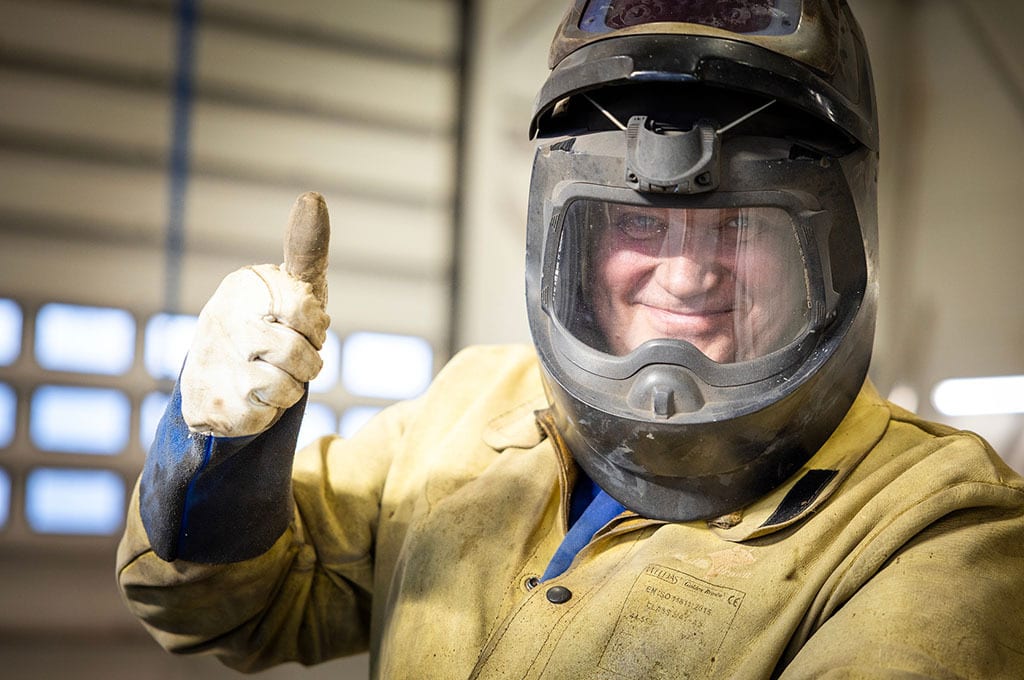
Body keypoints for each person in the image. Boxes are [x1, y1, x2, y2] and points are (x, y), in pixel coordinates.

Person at [117, 1, 1024, 677]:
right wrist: (221, 445)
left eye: (740, 229)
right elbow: (227, 607)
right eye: (638, 226)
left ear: (834, 246)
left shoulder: (939, 529)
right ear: (568, 240)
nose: (686, 275)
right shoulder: (469, 408)